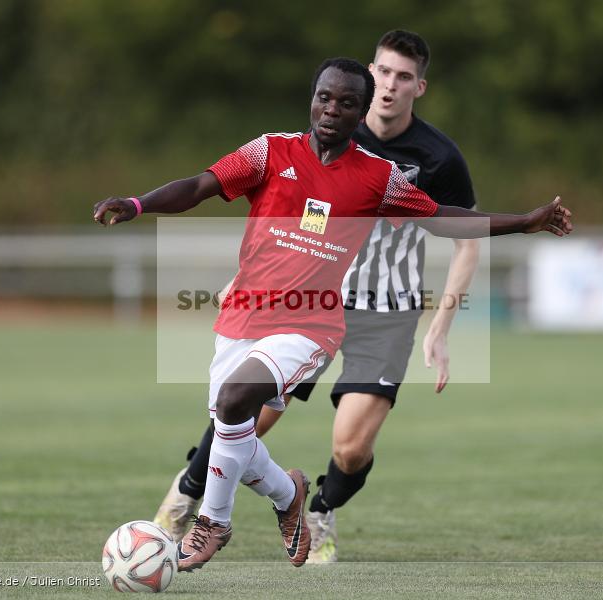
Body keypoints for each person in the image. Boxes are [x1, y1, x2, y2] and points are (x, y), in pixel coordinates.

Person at [95, 56, 572, 572]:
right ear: (313, 97)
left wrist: (525, 221)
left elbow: (443, 218)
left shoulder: (378, 179)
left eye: (347, 103)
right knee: (233, 430)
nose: (332, 109)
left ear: (361, 112)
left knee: (236, 402)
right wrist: (139, 204)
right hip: (242, 315)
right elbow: (200, 185)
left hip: (310, 323)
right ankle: (288, 492)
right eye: (325, 97)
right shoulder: (269, 153)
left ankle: (213, 523)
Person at [154, 31, 479, 563]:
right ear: (368, 77)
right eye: (382, 74)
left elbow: (465, 238)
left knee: (351, 446)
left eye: (403, 77)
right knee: (240, 416)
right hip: (306, 302)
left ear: (419, 86)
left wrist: (441, 328)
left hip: (386, 309)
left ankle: (320, 508)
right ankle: (186, 496)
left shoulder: (438, 157)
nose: (389, 86)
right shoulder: (331, 127)